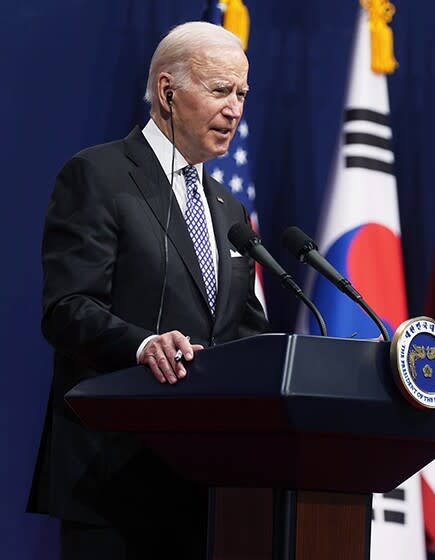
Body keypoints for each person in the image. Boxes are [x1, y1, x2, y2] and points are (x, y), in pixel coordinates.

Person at [27, 21, 269, 559]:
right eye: (220, 90)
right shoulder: (98, 175)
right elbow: (67, 308)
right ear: (167, 91)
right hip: (114, 476)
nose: (235, 109)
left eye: (242, 94)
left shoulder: (229, 209)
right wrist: (142, 346)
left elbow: (244, 330)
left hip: (207, 486)